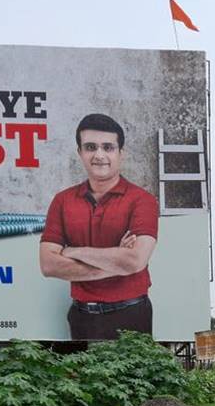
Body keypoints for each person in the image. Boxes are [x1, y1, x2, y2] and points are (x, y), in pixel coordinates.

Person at [39, 114, 159, 342]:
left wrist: (73, 251)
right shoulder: (62, 201)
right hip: (82, 316)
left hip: (131, 315)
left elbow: (135, 260)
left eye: (108, 147)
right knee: (81, 379)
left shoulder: (142, 200)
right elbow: (48, 264)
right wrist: (117, 263)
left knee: (132, 379)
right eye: (91, 147)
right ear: (80, 153)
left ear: (121, 153)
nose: (99, 155)